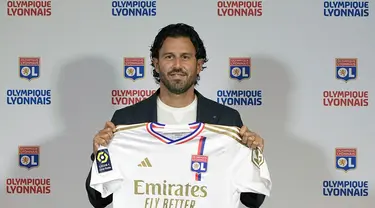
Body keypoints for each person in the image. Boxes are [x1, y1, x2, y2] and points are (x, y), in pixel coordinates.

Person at [85, 23, 267, 208]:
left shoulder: (226, 121)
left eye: (185, 57)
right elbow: (99, 199)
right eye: (169, 57)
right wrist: (100, 154)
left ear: (199, 65)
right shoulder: (127, 121)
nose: (177, 65)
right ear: (156, 64)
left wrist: (254, 155)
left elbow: (252, 200)